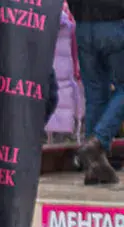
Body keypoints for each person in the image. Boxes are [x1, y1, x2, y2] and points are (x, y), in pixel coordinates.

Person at [69, 0, 124, 185]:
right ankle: (98, 141)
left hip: (84, 25)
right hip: (115, 21)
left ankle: (94, 167)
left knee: (95, 95)